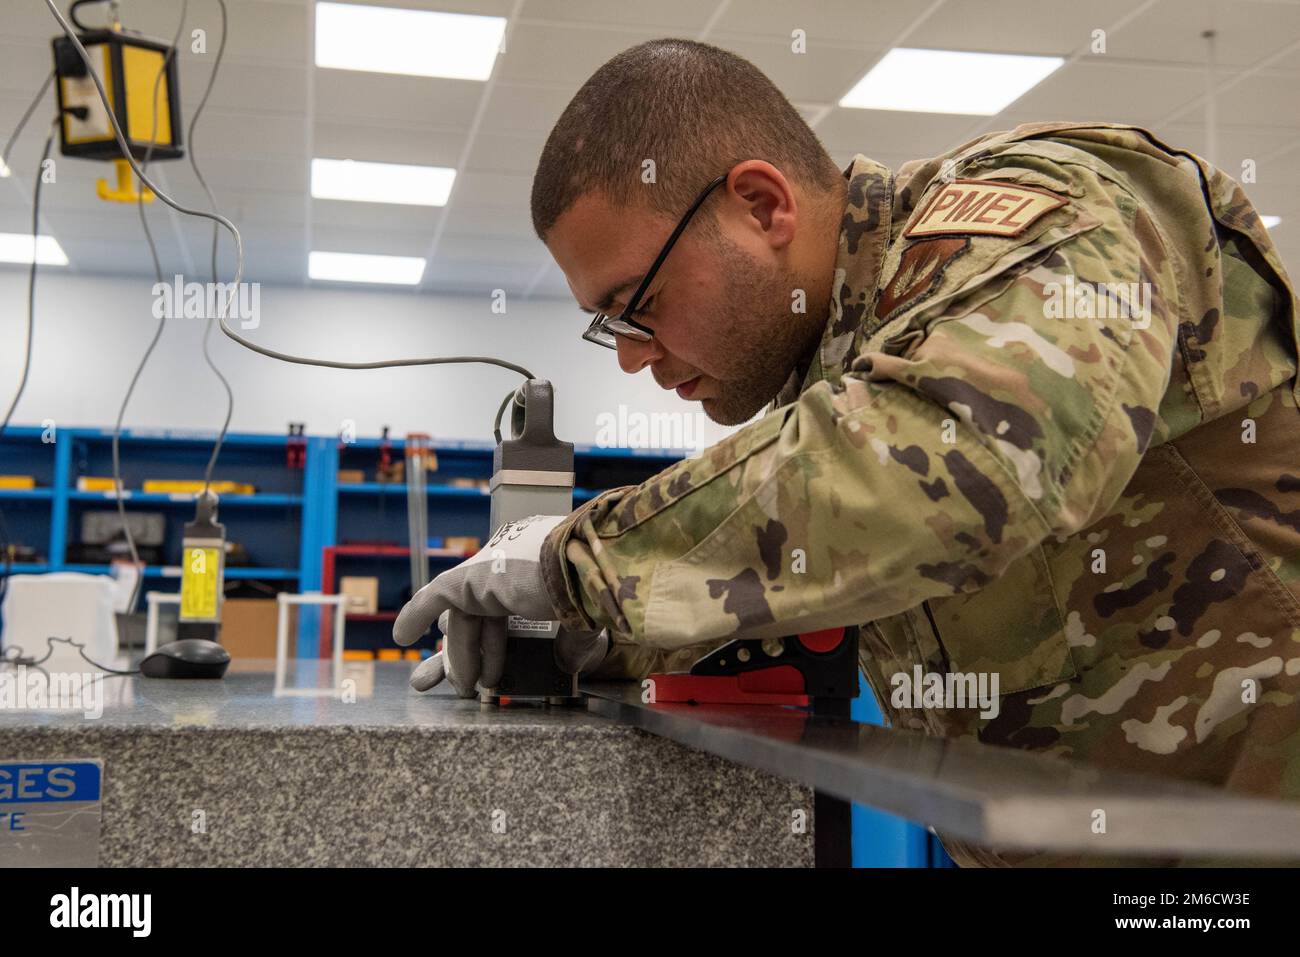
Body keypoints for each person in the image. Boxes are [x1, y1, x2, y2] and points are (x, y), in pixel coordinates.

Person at [395, 39, 1300, 867]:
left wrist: (578, 562)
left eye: (639, 301)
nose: (632, 353)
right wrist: (586, 638)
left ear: (761, 204)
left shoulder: (1049, 204)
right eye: (609, 325)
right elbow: (812, 572)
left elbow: (973, 465)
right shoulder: (834, 371)